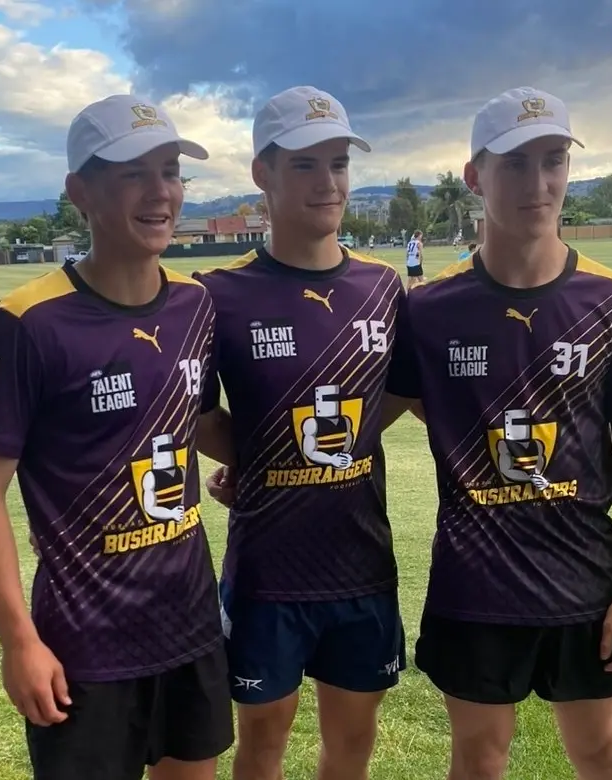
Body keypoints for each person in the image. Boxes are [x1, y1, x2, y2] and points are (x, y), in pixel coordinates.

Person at [386, 86, 612, 780]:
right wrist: (251, 464)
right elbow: (383, 415)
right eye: (515, 165)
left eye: (553, 161)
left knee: (600, 751)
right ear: (475, 176)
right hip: (474, 586)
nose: (539, 183)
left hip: (587, 583)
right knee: (479, 758)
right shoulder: (427, 310)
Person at [0, 94, 236, 780]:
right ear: (79, 191)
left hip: (190, 624)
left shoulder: (195, 303)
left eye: (170, 171)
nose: (161, 192)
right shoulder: (27, 322)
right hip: (85, 643)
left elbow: (195, 422)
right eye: (133, 174)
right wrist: (17, 639)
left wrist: (265, 463)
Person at [196, 85, 409, 780]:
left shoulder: (384, 286)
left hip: (361, 562)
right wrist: (261, 459)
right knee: (263, 740)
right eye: (305, 165)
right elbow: (195, 411)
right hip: (268, 570)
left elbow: (399, 392)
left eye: (339, 163)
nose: (328, 182)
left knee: (352, 744)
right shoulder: (217, 293)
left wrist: (325, 450)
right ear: (263, 173)